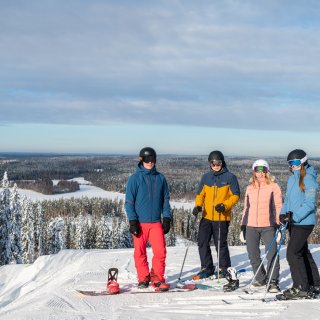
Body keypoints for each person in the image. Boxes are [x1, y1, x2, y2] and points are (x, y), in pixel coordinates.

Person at [125, 147, 172, 292]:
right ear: (141, 160)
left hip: (156, 222)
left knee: (160, 252)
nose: (150, 162)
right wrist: (133, 221)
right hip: (140, 222)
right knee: (139, 252)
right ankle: (143, 277)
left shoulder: (160, 178)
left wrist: (167, 218)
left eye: (152, 159)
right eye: (146, 159)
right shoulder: (135, 178)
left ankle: (157, 278)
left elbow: (165, 199)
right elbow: (129, 202)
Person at [277, 149, 320, 300]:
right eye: (290, 163)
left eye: (295, 162)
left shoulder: (309, 179)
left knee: (292, 253)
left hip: (304, 222)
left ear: (303, 162)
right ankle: (315, 283)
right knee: (302, 252)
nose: (293, 166)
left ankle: (300, 287)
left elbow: (310, 204)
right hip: (293, 222)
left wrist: (295, 216)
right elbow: (287, 200)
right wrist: (283, 214)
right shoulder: (291, 179)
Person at [192, 150, 240, 280]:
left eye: (218, 163)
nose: (216, 165)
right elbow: (200, 194)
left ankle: (224, 269)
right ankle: (207, 268)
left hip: (221, 217)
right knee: (202, 242)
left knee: (220, 243)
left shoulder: (230, 177)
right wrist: (198, 206)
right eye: (213, 163)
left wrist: (225, 205)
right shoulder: (206, 177)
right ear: (210, 164)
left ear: (222, 162)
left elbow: (235, 196)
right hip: (207, 216)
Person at [240, 159, 282, 293]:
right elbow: (246, 208)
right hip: (251, 226)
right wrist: (243, 226)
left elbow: (278, 207)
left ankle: (273, 281)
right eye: (258, 170)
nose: (261, 173)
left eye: (263, 170)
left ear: (267, 171)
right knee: (253, 254)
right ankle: (260, 278)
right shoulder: (249, 187)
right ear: (254, 172)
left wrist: (278, 226)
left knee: (271, 254)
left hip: (268, 226)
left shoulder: (273, 187)